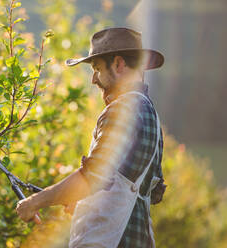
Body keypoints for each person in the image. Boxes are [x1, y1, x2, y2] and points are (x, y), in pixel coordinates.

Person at [16, 27, 166, 248]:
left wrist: (34, 202)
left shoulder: (123, 109)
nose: (93, 80)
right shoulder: (149, 113)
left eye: (97, 68)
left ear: (118, 64)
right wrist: (87, 199)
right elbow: (147, 191)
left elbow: (93, 177)